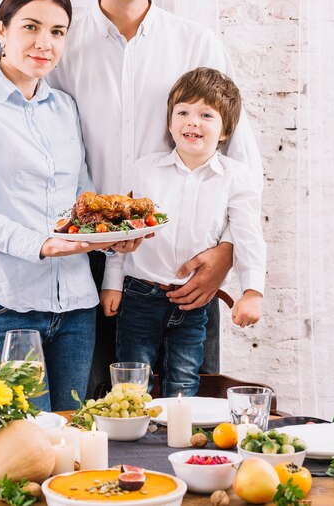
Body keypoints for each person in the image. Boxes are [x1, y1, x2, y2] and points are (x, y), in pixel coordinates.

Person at [0, 0, 263, 392]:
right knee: (92, 413)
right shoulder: (64, 42)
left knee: (183, 407)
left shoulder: (198, 43)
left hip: (177, 262)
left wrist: (228, 251)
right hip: (81, 260)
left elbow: (238, 156)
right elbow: (15, 132)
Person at [0, 0, 123, 412]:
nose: (44, 42)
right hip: (5, 304)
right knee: (20, 455)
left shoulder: (65, 108)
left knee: (68, 446)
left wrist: (112, 235)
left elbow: (81, 197)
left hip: (76, 305)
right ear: (2, 30)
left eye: (57, 32)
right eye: (31, 27)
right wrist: (42, 244)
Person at [100, 68, 266, 396]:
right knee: (132, 383)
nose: (192, 121)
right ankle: (136, 444)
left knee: (183, 384)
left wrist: (252, 292)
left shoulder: (236, 177)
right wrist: (112, 284)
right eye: (183, 112)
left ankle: (173, 444)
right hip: (139, 295)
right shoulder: (143, 169)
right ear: (170, 121)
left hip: (193, 302)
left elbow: (247, 234)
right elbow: (122, 231)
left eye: (206, 114)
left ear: (225, 130)